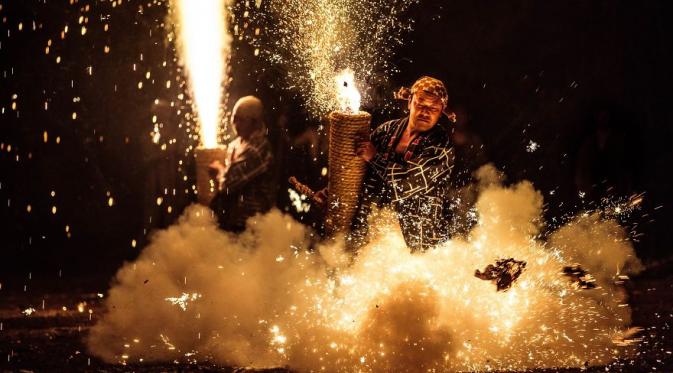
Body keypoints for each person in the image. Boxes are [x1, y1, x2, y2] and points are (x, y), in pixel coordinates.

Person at [350, 76, 456, 251]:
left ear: (441, 110)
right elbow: (357, 168)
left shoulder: (442, 146)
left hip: (416, 235)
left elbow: (407, 183)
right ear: (409, 103)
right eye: (420, 104)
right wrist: (332, 191)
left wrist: (374, 157)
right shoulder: (386, 130)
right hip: (371, 224)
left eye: (433, 108)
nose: (425, 112)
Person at [209, 96, 275, 232]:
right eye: (234, 118)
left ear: (255, 122)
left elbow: (228, 185)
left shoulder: (257, 149)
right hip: (233, 222)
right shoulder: (235, 144)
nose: (236, 124)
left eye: (241, 120)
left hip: (252, 226)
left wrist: (219, 171)